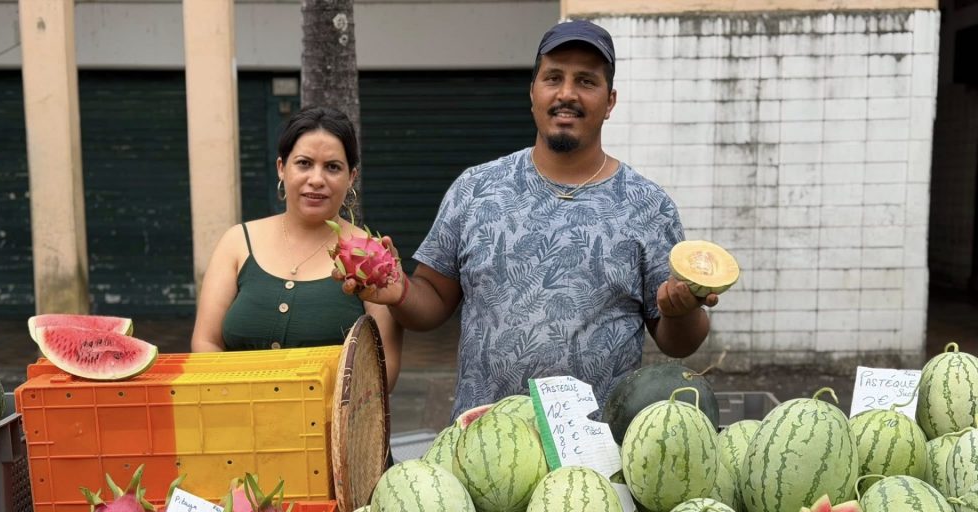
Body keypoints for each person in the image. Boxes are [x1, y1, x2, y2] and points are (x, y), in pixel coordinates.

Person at [337, 19, 716, 418]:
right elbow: (432, 300)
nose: (567, 93)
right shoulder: (476, 189)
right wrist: (398, 291)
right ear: (533, 92)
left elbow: (678, 342)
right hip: (484, 444)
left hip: (596, 451)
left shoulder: (648, 206)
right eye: (553, 77)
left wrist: (683, 311)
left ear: (610, 101)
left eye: (586, 81)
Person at [192, 106, 402, 391]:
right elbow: (206, 342)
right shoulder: (237, 242)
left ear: (351, 177)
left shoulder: (371, 256)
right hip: (237, 422)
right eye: (304, 163)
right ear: (282, 168)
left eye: (332, 167)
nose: (316, 179)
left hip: (331, 431)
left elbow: (384, 366)